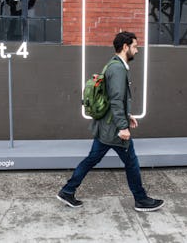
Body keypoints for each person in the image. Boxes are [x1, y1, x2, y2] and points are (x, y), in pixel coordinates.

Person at [57, 31, 164, 212]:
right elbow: (115, 99)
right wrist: (123, 126)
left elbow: (113, 99)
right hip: (113, 129)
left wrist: (127, 116)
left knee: (92, 159)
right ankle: (141, 199)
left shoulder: (113, 65)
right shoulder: (118, 68)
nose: (137, 51)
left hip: (106, 126)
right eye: (135, 47)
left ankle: (67, 191)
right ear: (125, 47)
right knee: (131, 162)